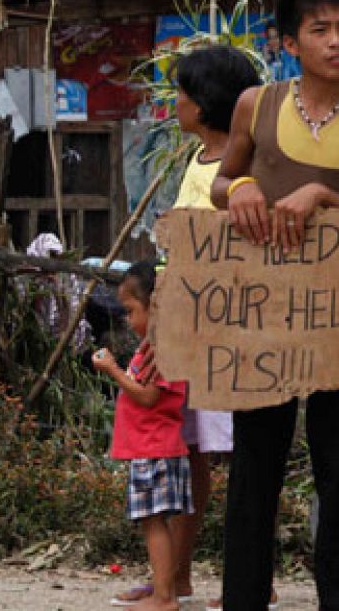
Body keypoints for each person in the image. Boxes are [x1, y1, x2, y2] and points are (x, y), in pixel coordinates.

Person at [211, 0, 339, 611]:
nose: (337, 41)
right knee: (253, 476)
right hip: (262, 319)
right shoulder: (255, 105)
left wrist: (323, 193)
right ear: (288, 42)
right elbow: (221, 179)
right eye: (319, 28)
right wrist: (239, 189)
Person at [115, 45, 263, 610]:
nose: (173, 103)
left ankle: (249, 573)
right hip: (188, 332)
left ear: (204, 104)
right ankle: (175, 576)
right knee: (192, 455)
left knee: (246, 455)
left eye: (180, 94)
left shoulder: (245, 168)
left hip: (227, 335)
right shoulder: (199, 162)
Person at [95, 261, 193, 611]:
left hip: (155, 448)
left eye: (131, 310)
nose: (127, 319)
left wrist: (113, 371)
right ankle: (163, 590)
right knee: (153, 523)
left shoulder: (162, 348)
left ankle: (165, 597)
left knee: (154, 524)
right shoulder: (152, 346)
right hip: (153, 447)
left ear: (156, 307)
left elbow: (148, 395)